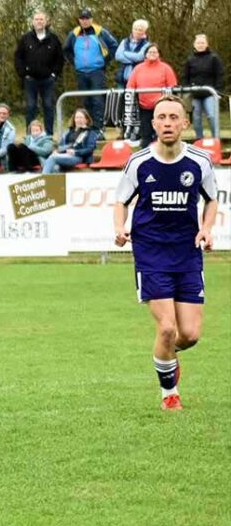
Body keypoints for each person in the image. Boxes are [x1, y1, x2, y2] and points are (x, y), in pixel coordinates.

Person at [113, 97, 216, 411]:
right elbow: (121, 201)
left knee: (190, 334)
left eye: (174, 117)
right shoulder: (139, 162)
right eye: (162, 117)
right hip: (151, 253)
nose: (168, 122)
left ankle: (165, 356)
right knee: (167, 328)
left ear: (185, 123)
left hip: (187, 253)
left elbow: (211, 200)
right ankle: (169, 393)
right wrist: (120, 227)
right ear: (154, 124)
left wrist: (207, 228)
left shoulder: (199, 162)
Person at [63, 9, 118, 135]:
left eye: (87, 18)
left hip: (97, 71)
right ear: (79, 20)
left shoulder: (100, 32)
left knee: (97, 100)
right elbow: (66, 50)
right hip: (81, 72)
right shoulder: (74, 34)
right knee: (85, 101)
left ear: (91, 19)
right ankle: (87, 126)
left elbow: (114, 45)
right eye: (82, 19)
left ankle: (99, 127)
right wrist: (74, 62)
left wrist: (105, 61)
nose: (85, 21)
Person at [13, 11, 64, 137]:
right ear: (33, 22)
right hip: (30, 80)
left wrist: (54, 74)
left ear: (46, 21)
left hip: (48, 80)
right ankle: (30, 136)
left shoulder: (53, 38)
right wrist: (23, 73)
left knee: (48, 106)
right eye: (36, 19)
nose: (39, 21)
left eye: (41, 19)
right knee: (30, 107)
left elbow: (60, 58)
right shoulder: (26, 38)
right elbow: (18, 57)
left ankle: (49, 135)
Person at [127, 44, 178, 145]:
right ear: (145, 54)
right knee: (145, 134)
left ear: (159, 54)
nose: (152, 54)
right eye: (150, 52)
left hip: (161, 107)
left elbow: (173, 85)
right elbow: (130, 85)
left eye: (155, 52)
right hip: (143, 107)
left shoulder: (166, 68)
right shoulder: (138, 68)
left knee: (160, 133)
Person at [182, 35, 224, 140]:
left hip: (210, 93)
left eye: (202, 43)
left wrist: (217, 91)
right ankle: (199, 140)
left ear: (207, 44)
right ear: (194, 45)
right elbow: (185, 77)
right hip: (195, 94)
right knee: (196, 118)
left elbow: (219, 75)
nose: (200, 45)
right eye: (198, 43)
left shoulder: (214, 58)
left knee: (212, 116)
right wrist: (187, 90)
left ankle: (216, 139)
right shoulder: (190, 60)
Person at [42, 107, 99, 173]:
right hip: (64, 154)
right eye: (77, 117)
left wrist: (75, 152)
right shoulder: (69, 131)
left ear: (86, 120)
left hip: (78, 156)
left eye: (81, 117)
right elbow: (61, 145)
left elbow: (90, 149)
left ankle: (43, 181)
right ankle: (54, 182)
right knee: (55, 167)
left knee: (52, 158)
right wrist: (57, 151)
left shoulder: (91, 133)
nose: (78, 120)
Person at [115, 20, 149, 90]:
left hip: (138, 80)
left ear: (144, 31)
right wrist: (133, 58)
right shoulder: (124, 41)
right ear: (132, 29)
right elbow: (118, 56)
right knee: (120, 100)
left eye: (140, 30)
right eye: (135, 29)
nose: (137, 32)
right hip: (122, 79)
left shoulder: (147, 44)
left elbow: (139, 57)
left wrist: (124, 53)